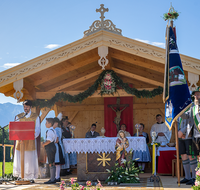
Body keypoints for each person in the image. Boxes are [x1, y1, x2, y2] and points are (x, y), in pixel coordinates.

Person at [13, 100, 41, 182]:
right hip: (21, 141)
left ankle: (30, 177)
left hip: (30, 141)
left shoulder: (35, 117)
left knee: (29, 159)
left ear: (31, 107)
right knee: (20, 158)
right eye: (24, 107)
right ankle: (20, 176)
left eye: (27, 107)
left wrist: (32, 135)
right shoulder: (19, 116)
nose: (25, 108)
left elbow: (38, 129)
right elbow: (15, 128)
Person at [179, 86, 200, 185]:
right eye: (195, 94)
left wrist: (183, 132)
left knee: (192, 156)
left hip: (190, 135)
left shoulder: (193, 106)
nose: (196, 96)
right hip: (188, 136)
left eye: (198, 94)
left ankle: (194, 178)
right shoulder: (189, 107)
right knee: (185, 155)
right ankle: (189, 177)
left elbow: (191, 122)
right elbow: (185, 116)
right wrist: (179, 111)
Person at [42, 118, 57, 184]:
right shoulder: (54, 130)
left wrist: (43, 144)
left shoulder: (49, 131)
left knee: (51, 162)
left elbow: (49, 140)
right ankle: (53, 178)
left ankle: (52, 179)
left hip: (50, 147)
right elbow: (56, 140)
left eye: (46, 123)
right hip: (53, 146)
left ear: (50, 124)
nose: (45, 124)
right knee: (52, 162)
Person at [53, 117, 65, 182]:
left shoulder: (56, 129)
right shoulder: (59, 129)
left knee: (57, 163)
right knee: (58, 163)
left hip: (56, 146)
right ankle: (57, 176)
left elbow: (56, 140)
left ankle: (56, 177)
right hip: (59, 146)